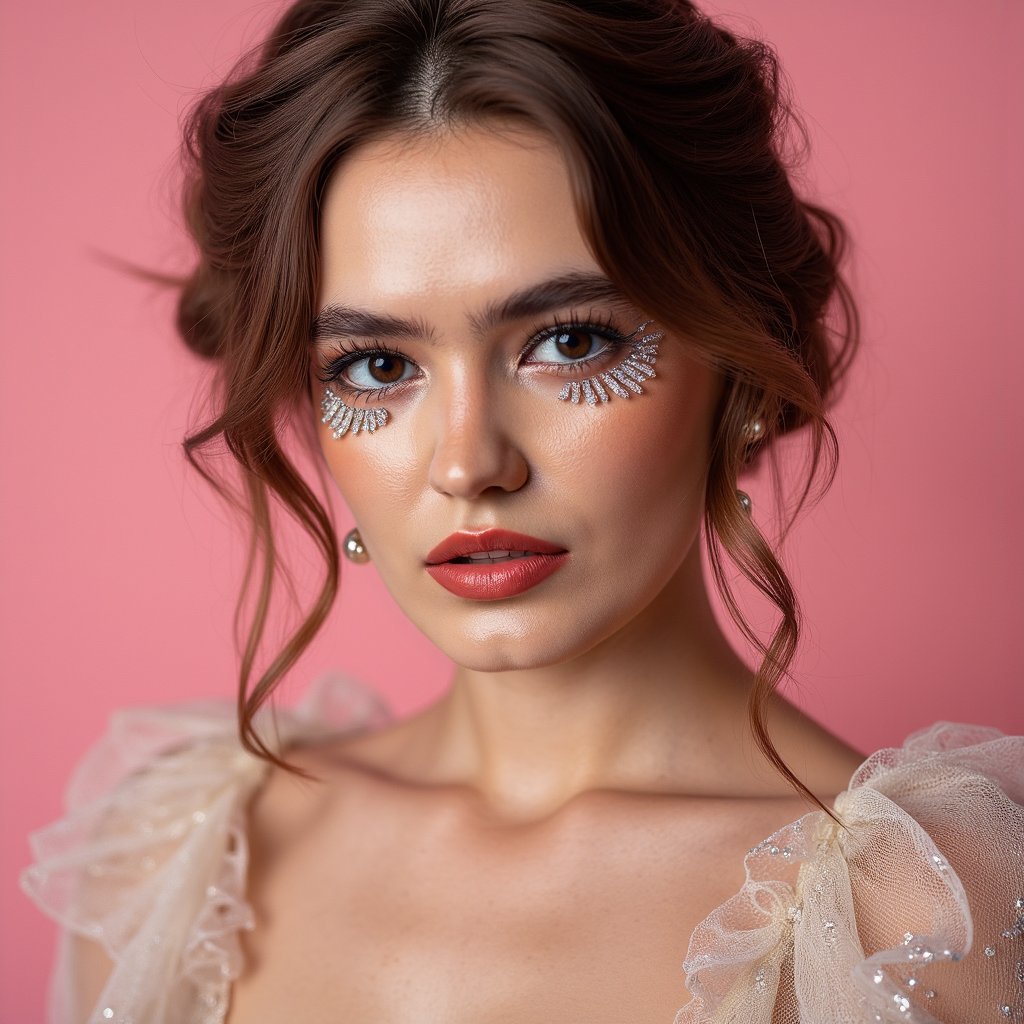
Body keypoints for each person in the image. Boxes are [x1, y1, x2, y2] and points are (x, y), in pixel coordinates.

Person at [19, 1, 1022, 1021]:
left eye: (571, 343)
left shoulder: (921, 911)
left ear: (743, 366)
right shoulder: (173, 859)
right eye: (376, 365)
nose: (467, 463)